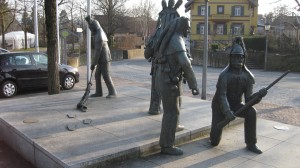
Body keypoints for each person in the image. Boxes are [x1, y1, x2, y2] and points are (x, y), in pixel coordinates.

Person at [209, 37, 267, 154]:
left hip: (236, 105)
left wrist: (258, 96)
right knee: (214, 142)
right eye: (235, 57)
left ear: (243, 58)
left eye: (240, 57)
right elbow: (222, 96)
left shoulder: (248, 77)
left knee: (251, 112)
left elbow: (248, 100)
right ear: (230, 58)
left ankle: (251, 143)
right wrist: (227, 112)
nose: (238, 59)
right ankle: (213, 134)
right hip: (220, 106)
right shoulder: (224, 75)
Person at [154, 17, 199, 155]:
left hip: (167, 79)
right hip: (169, 82)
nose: (189, 29)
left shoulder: (173, 38)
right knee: (171, 112)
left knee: (175, 108)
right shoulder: (176, 40)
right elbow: (185, 64)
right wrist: (194, 84)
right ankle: (167, 145)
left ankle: (173, 128)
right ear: (181, 27)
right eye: (188, 27)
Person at [85, 15, 117, 98]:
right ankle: (99, 92)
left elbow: (97, 52)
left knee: (106, 75)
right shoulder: (98, 33)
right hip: (100, 59)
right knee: (97, 75)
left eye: (91, 29)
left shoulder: (99, 36)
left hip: (104, 58)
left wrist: (93, 64)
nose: (91, 31)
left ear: (94, 27)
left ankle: (112, 92)